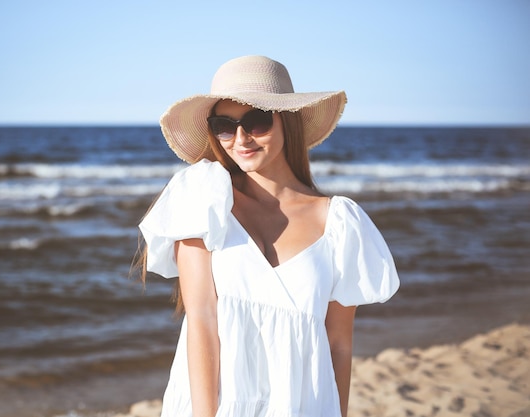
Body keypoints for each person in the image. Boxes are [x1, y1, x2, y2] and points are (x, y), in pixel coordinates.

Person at [136, 55, 399, 417]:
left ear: (286, 122)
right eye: (224, 125)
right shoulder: (202, 199)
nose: (240, 138)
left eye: (256, 121)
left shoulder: (339, 222)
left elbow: (338, 343)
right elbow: (201, 320)